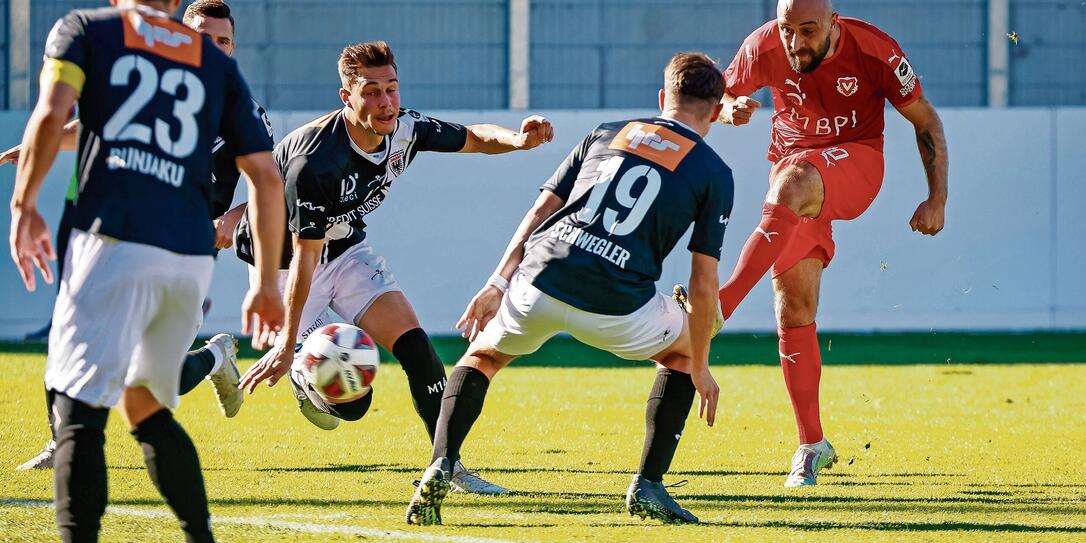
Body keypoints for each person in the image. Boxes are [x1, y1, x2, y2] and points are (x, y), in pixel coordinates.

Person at [406, 52, 733, 525]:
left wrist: (496, 283)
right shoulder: (714, 172)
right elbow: (703, 281)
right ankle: (648, 485)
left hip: (540, 278)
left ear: (663, 98)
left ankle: (442, 462)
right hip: (617, 306)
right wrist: (701, 364)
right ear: (716, 110)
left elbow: (539, 214)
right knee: (683, 354)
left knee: (481, 357)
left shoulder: (605, 132)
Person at [8, 0, 286, 539]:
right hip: (187, 258)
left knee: (78, 413)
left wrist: (23, 206)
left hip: (115, 238)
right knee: (147, 408)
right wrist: (267, 283)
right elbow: (269, 181)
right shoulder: (216, 67)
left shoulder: (88, 29)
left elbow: (53, 112)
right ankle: (200, 536)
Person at [235, 41, 554, 495]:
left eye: (392, 89)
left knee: (417, 347)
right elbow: (305, 256)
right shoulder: (316, 160)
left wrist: (518, 140)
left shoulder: (404, 128)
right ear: (346, 97)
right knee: (352, 406)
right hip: (287, 266)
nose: (385, 102)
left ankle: (448, 466)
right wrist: (287, 346)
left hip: (343, 250)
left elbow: (474, 137)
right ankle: (304, 378)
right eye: (370, 92)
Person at [711, 0, 948, 486]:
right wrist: (724, 109)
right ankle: (812, 444)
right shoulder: (761, 45)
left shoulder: (875, 50)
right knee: (793, 307)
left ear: (834, 24)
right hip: (790, 182)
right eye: (787, 31)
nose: (796, 43)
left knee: (795, 178)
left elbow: (925, 120)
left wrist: (936, 198)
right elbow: (705, 99)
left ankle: (720, 305)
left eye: (809, 31)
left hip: (856, 164)